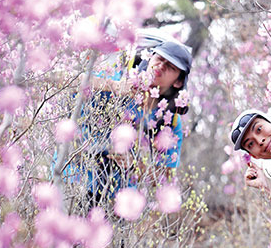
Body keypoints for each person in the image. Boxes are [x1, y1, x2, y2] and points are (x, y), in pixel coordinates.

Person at [63, 36, 192, 208]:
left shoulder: (170, 121)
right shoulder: (118, 80)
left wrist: (135, 165)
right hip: (75, 180)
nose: (161, 66)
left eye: (170, 67)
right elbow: (69, 82)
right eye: (159, 58)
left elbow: (165, 176)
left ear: (178, 82)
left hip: (118, 201)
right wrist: (114, 87)